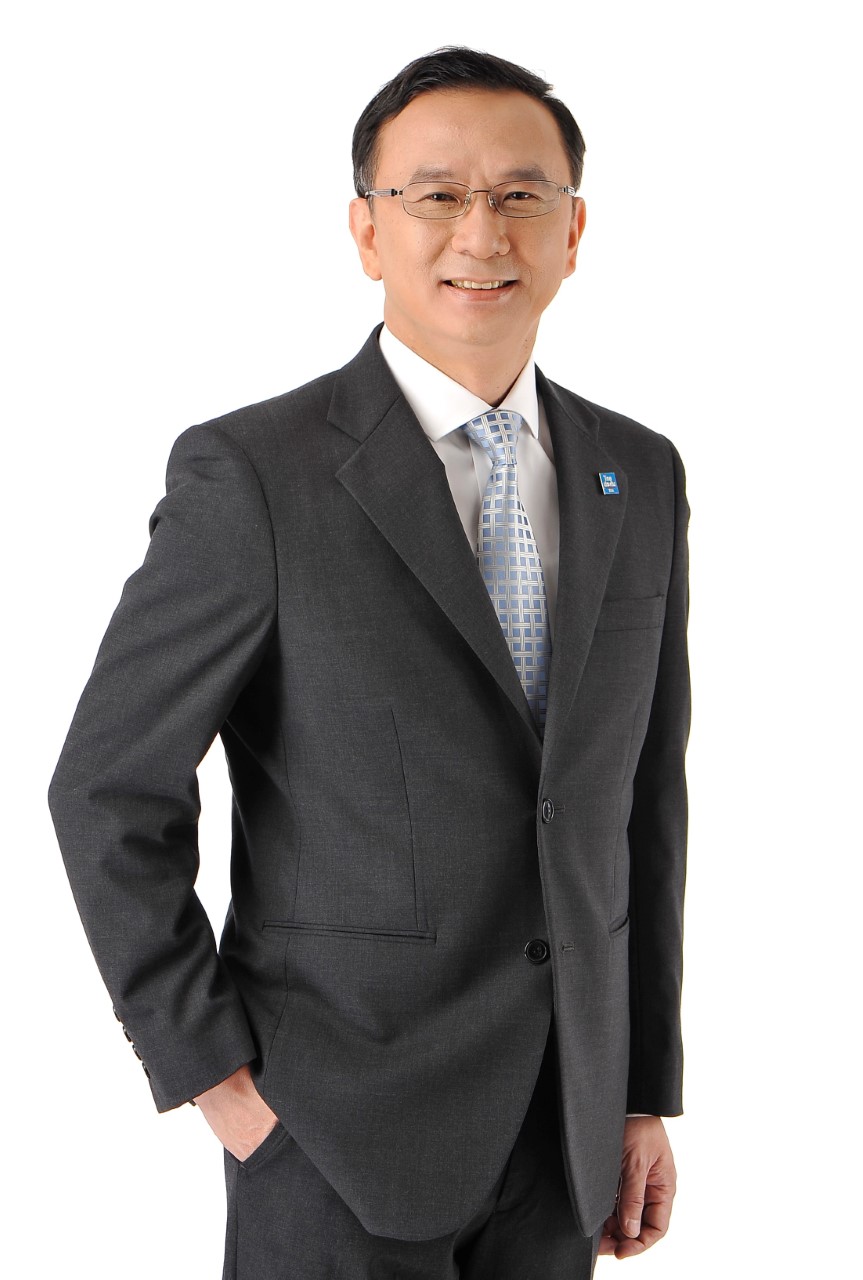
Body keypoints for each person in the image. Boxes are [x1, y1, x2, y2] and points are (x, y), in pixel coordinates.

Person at [49, 47, 690, 1280]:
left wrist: (638, 1085)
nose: (480, 232)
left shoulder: (638, 471)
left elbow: (639, 801)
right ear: (365, 229)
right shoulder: (255, 474)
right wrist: (212, 1074)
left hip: (564, 1135)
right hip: (331, 1134)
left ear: (572, 230)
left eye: (520, 195)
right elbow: (108, 787)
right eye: (434, 194)